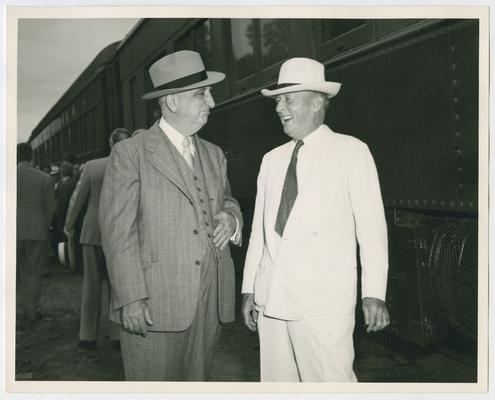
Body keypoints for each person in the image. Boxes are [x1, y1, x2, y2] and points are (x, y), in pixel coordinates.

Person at [241, 57, 390, 382]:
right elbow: (259, 234)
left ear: (318, 102)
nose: (279, 107)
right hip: (272, 298)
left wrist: (374, 293)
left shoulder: (352, 151)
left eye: (288, 98)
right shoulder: (271, 160)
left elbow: (372, 229)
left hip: (322, 302)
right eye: (277, 100)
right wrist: (250, 288)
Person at [99, 50, 243, 381]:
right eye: (201, 94)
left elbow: (229, 198)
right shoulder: (130, 154)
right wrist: (131, 297)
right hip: (154, 304)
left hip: (209, 301)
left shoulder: (214, 154)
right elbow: (117, 231)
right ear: (173, 102)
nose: (212, 101)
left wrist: (231, 218)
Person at [65, 128, 130, 350]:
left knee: (91, 286)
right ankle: (118, 337)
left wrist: (69, 226)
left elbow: (77, 199)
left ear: (110, 142)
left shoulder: (93, 166)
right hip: (121, 235)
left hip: (92, 233)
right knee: (118, 288)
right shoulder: (131, 165)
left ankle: (87, 336)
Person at [16, 143, 55, 325]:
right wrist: (45, 227)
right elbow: (49, 209)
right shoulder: (44, 178)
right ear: (31, 155)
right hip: (35, 229)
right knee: (32, 271)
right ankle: (32, 310)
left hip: (11, 230)